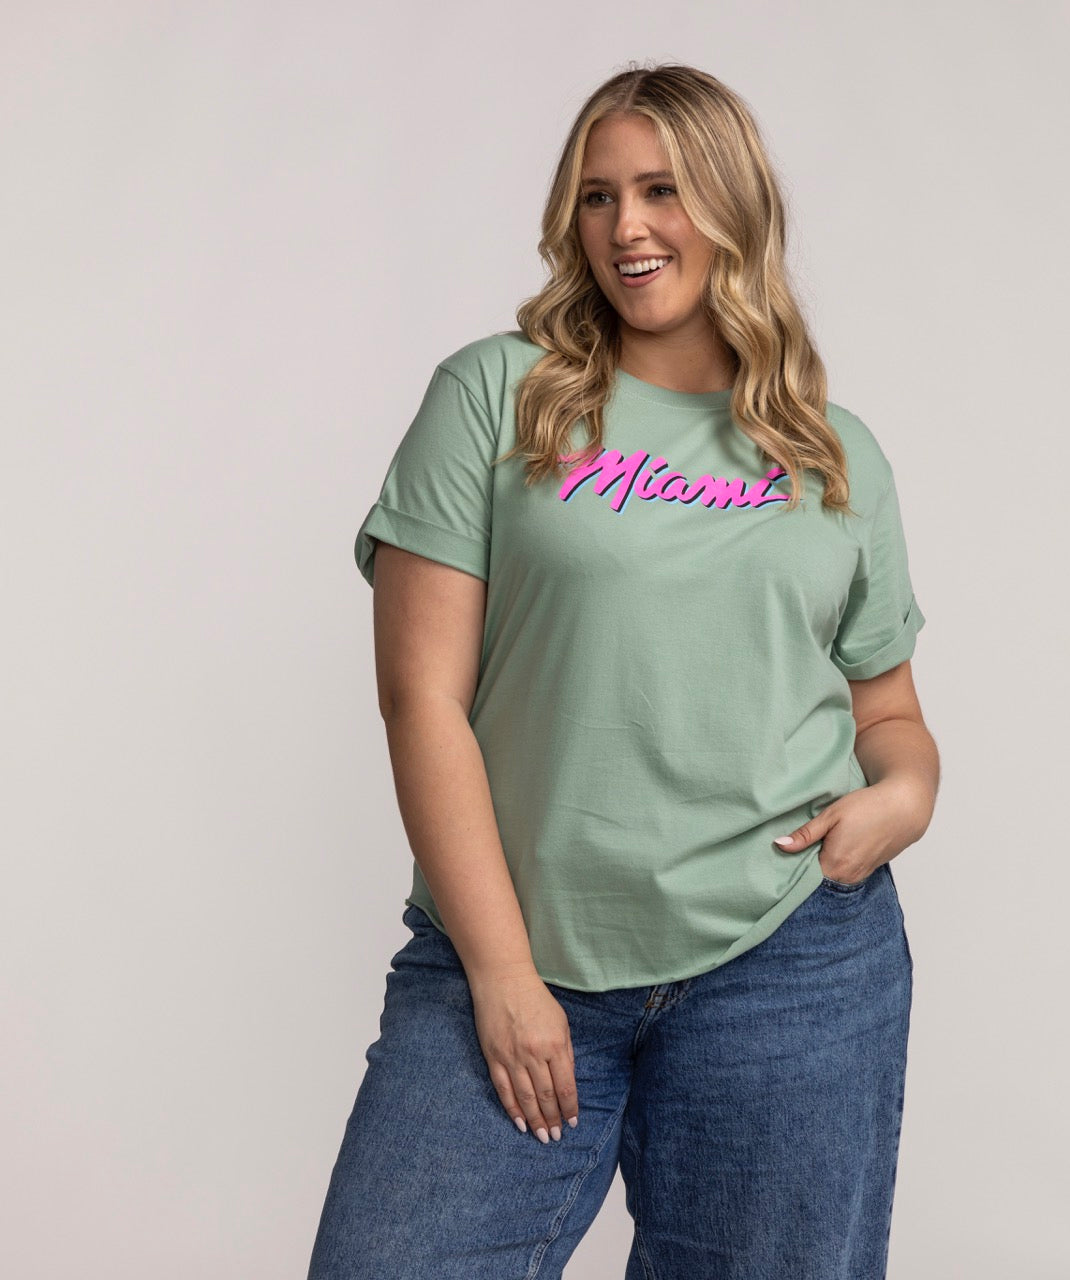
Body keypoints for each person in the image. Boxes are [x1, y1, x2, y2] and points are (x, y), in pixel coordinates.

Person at [307, 61, 940, 1280]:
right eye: (596, 196)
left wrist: (906, 793)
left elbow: (886, 707)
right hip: (516, 944)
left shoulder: (834, 454)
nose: (626, 227)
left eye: (660, 190)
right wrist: (500, 973)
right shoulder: (497, 395)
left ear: (733, 206)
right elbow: (419, 697)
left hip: (790, 957)